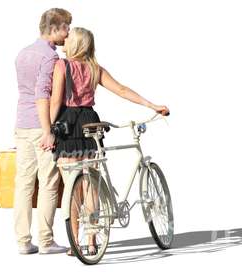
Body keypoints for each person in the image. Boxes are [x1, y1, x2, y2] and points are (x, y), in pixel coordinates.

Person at [50, 27, 170, 256]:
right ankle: (93, 241)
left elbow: (56, 101)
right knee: (91, 186)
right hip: (90, 122)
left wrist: (48, 129)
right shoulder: (95, 68)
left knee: (72, 190)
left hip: (68, 124)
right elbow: (122, 90)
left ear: (74, 44)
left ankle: (75, 243)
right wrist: (152, 105)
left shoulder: (61, 66)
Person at [14, 8, 72, 254]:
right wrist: (48, 130)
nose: (68, 33)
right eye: (66, 28)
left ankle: (23, 242)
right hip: (41, 125)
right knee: (48, 182)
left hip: (21, 124)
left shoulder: (23, 52)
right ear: (55, 29)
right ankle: (46, 241)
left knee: (24, 184)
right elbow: (42, 94)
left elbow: (25, 92)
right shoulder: (50, 58)